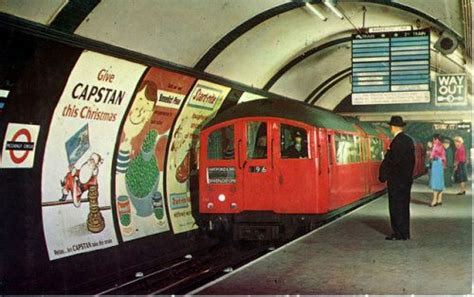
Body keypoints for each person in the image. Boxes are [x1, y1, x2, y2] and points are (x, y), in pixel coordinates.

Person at [379, 116, 415, 241]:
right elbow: (411, 161)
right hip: (406, 180)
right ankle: (405, 233)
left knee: (395, 207)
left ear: (393, 127)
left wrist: (385, 174)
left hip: (396, 181)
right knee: (404, 207)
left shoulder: (396, 141)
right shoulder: (409, 140)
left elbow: (392, 162)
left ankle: (398, 233)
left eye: (391, 127)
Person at [430, 134, 446, 206]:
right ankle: (439, 199)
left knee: (435, 182)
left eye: (433, 139)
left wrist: (430, 152)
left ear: (436, 139)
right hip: (441, 164)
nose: (433, 140)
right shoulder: (442, 146)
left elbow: (431, 156)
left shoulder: (435, 145)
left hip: (436, 163)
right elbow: (444, 157)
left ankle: (434, 201)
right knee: (440, 181)